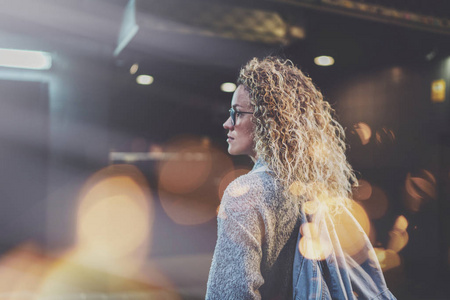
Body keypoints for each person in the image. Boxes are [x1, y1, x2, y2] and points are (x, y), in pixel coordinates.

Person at [206, 57, 395, 299]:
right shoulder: (317, 193)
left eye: (237, 113)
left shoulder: (245, 193)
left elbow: (230, 294)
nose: (227, 123)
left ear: (268, 119)